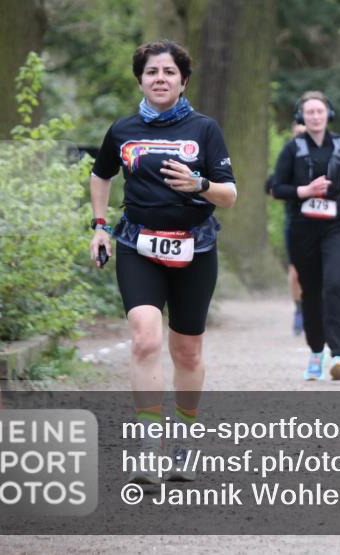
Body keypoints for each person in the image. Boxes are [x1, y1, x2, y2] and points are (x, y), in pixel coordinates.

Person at [89, 40, 237, 484]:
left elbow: (230, 195)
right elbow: (101, 175)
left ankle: (185, 443)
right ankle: (148, 449)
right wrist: (99, 225)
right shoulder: (123, 129)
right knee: (144, 339)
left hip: (196, 248)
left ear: (183, 80)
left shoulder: (204, 130)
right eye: (152, 72)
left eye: (169, 72)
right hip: (138, 247)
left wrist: (199, 184)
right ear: (140, 79)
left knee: (187, 350)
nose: (160, 78)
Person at [271, 91, 340, 381]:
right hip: (302, 227)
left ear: (328, 114)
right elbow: (276, 188)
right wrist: (304, 191)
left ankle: (338, 355)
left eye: (319, 111)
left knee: (335, 282)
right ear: (302, 117)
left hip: (338, 224)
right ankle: (315, 352)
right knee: (311, 290)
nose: (314, 116)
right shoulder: (292, 148)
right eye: (309, 112)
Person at [266, 122, 307, 336]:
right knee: (295, 271)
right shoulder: (288, 156)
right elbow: (272, 187)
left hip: (327, 223)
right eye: (298, 133)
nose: (301, 136)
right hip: (296, 220)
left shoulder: (328, 150)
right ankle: (300, 309)